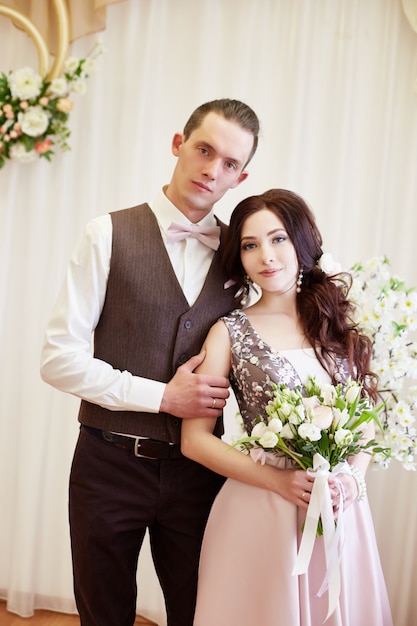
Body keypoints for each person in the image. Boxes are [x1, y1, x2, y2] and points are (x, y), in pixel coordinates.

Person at [40, 98, 260, 626]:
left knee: (199, 612)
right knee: (104, 612)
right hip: (107, 463)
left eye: (229, 163)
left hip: (201, 473)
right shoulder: (106, 233)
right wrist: (163, 396)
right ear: (178, 145)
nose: (212, 169)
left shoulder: (246, 254)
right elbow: (58, 360)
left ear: (241, 176)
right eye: (204, 150)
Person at [181, 188, 393, 626]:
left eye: (278, 239)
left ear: (301, 241)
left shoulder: (338, 326)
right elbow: (195, 441)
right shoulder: (227, 332)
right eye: (250, 245)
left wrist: (352, 482)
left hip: (339, 508)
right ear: (239, 257)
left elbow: (365, 425)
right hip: (262, 507)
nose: (267, 256)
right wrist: (278, 481)